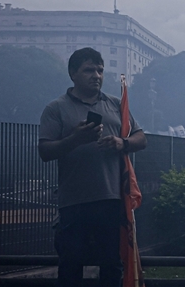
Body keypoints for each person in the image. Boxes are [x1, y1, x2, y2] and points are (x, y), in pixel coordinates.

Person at [39, 48, 147, 287]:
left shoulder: (115, 104)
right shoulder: (56, 108)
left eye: (100, 70)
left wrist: (122, 143)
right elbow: (45, 151)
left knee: (112, 264)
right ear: (72, 73)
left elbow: (141, 138)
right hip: (73, 201)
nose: (96, 75)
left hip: (111, 199)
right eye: (89, 70)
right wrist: (75, 139)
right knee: (70, 266)